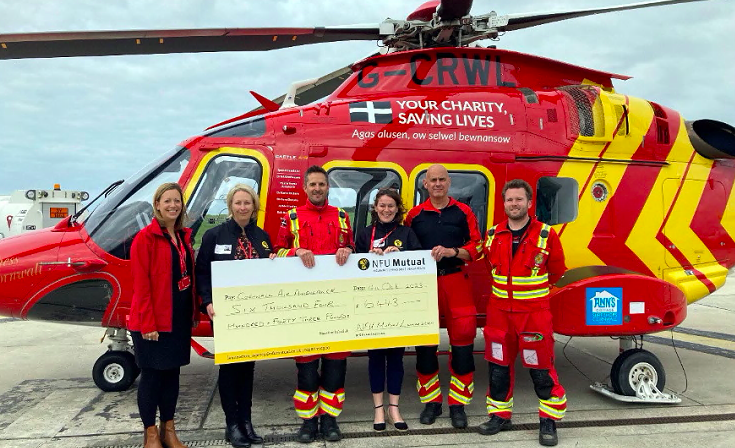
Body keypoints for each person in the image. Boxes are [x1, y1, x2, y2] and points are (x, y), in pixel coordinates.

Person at [479, 179, 567, 447]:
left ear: (529, 203)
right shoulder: (493, 234)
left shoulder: (546, 235)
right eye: (509, 200)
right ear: (503, 203)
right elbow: (490, 268)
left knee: (541, 370)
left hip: (533, 315)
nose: (514, 204)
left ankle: (548, 421)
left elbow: (557, 271)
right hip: (499, 315)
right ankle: (499, 416)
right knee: (498, 368)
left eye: (519, 199)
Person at [271, 165, 354, 443]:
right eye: (313, 185)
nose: (317, 189)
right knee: (306, 368)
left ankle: (330, 420)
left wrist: (348, 250)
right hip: (304, 306)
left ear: (328, 187)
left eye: (322, 184)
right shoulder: (291, 217)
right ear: (305, 188)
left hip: (337, 304)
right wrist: (296, 251)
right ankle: (308, 422)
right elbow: (275, 252)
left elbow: (352, 249)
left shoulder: (342, 216)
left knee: (335, 365)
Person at [404, 164, 483, 429]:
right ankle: (432, 402)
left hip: (456, 281)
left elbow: (477, 248)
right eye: (432, 180)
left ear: (449, 183)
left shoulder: (464, 212)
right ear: (424, 184)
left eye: (442, 180)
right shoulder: (414, 216)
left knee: (462, 345)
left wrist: (453, 251)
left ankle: (458, 404)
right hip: (424, 285)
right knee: (425, 347)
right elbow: (404, 247)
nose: (437, 184)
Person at [195, 184, 271, 448]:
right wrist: (207, 301)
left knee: (248, 368)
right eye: (238, 203)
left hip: (252, 314)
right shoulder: (214, 236)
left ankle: (246, 421)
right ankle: (232, 424)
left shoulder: (262, 237)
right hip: (225, 314)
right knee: (229, 368)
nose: (242, 207)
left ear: (254, 206)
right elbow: (202, 271)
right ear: (230, 206)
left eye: (247, 203)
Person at [128, 182, 198, 448]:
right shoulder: (144, 239)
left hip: (177, 320)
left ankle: (168, 429)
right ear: (157, 205)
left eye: (177, 201)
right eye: (167, 201)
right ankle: (150, 434)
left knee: (172, 376)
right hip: (153, 322)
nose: (173, 206)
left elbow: (186, 277)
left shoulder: (182, 237)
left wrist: (192, 311)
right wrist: (148, 323)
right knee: (152, 377)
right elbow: (141, 285)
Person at [354, 188, 422, 432]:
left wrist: (401, 254)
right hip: (372, 306)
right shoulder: (364, 234)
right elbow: (354, 268)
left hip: (399, 306)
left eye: (390, 206)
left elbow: (421, 265)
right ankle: (378, 409)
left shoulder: (407, 233)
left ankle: (394, 408)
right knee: (375, 357)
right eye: (382, 205)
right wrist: (369, 258)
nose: (386, 209)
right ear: (376, 208)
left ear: (397, 208)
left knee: (396, 358)